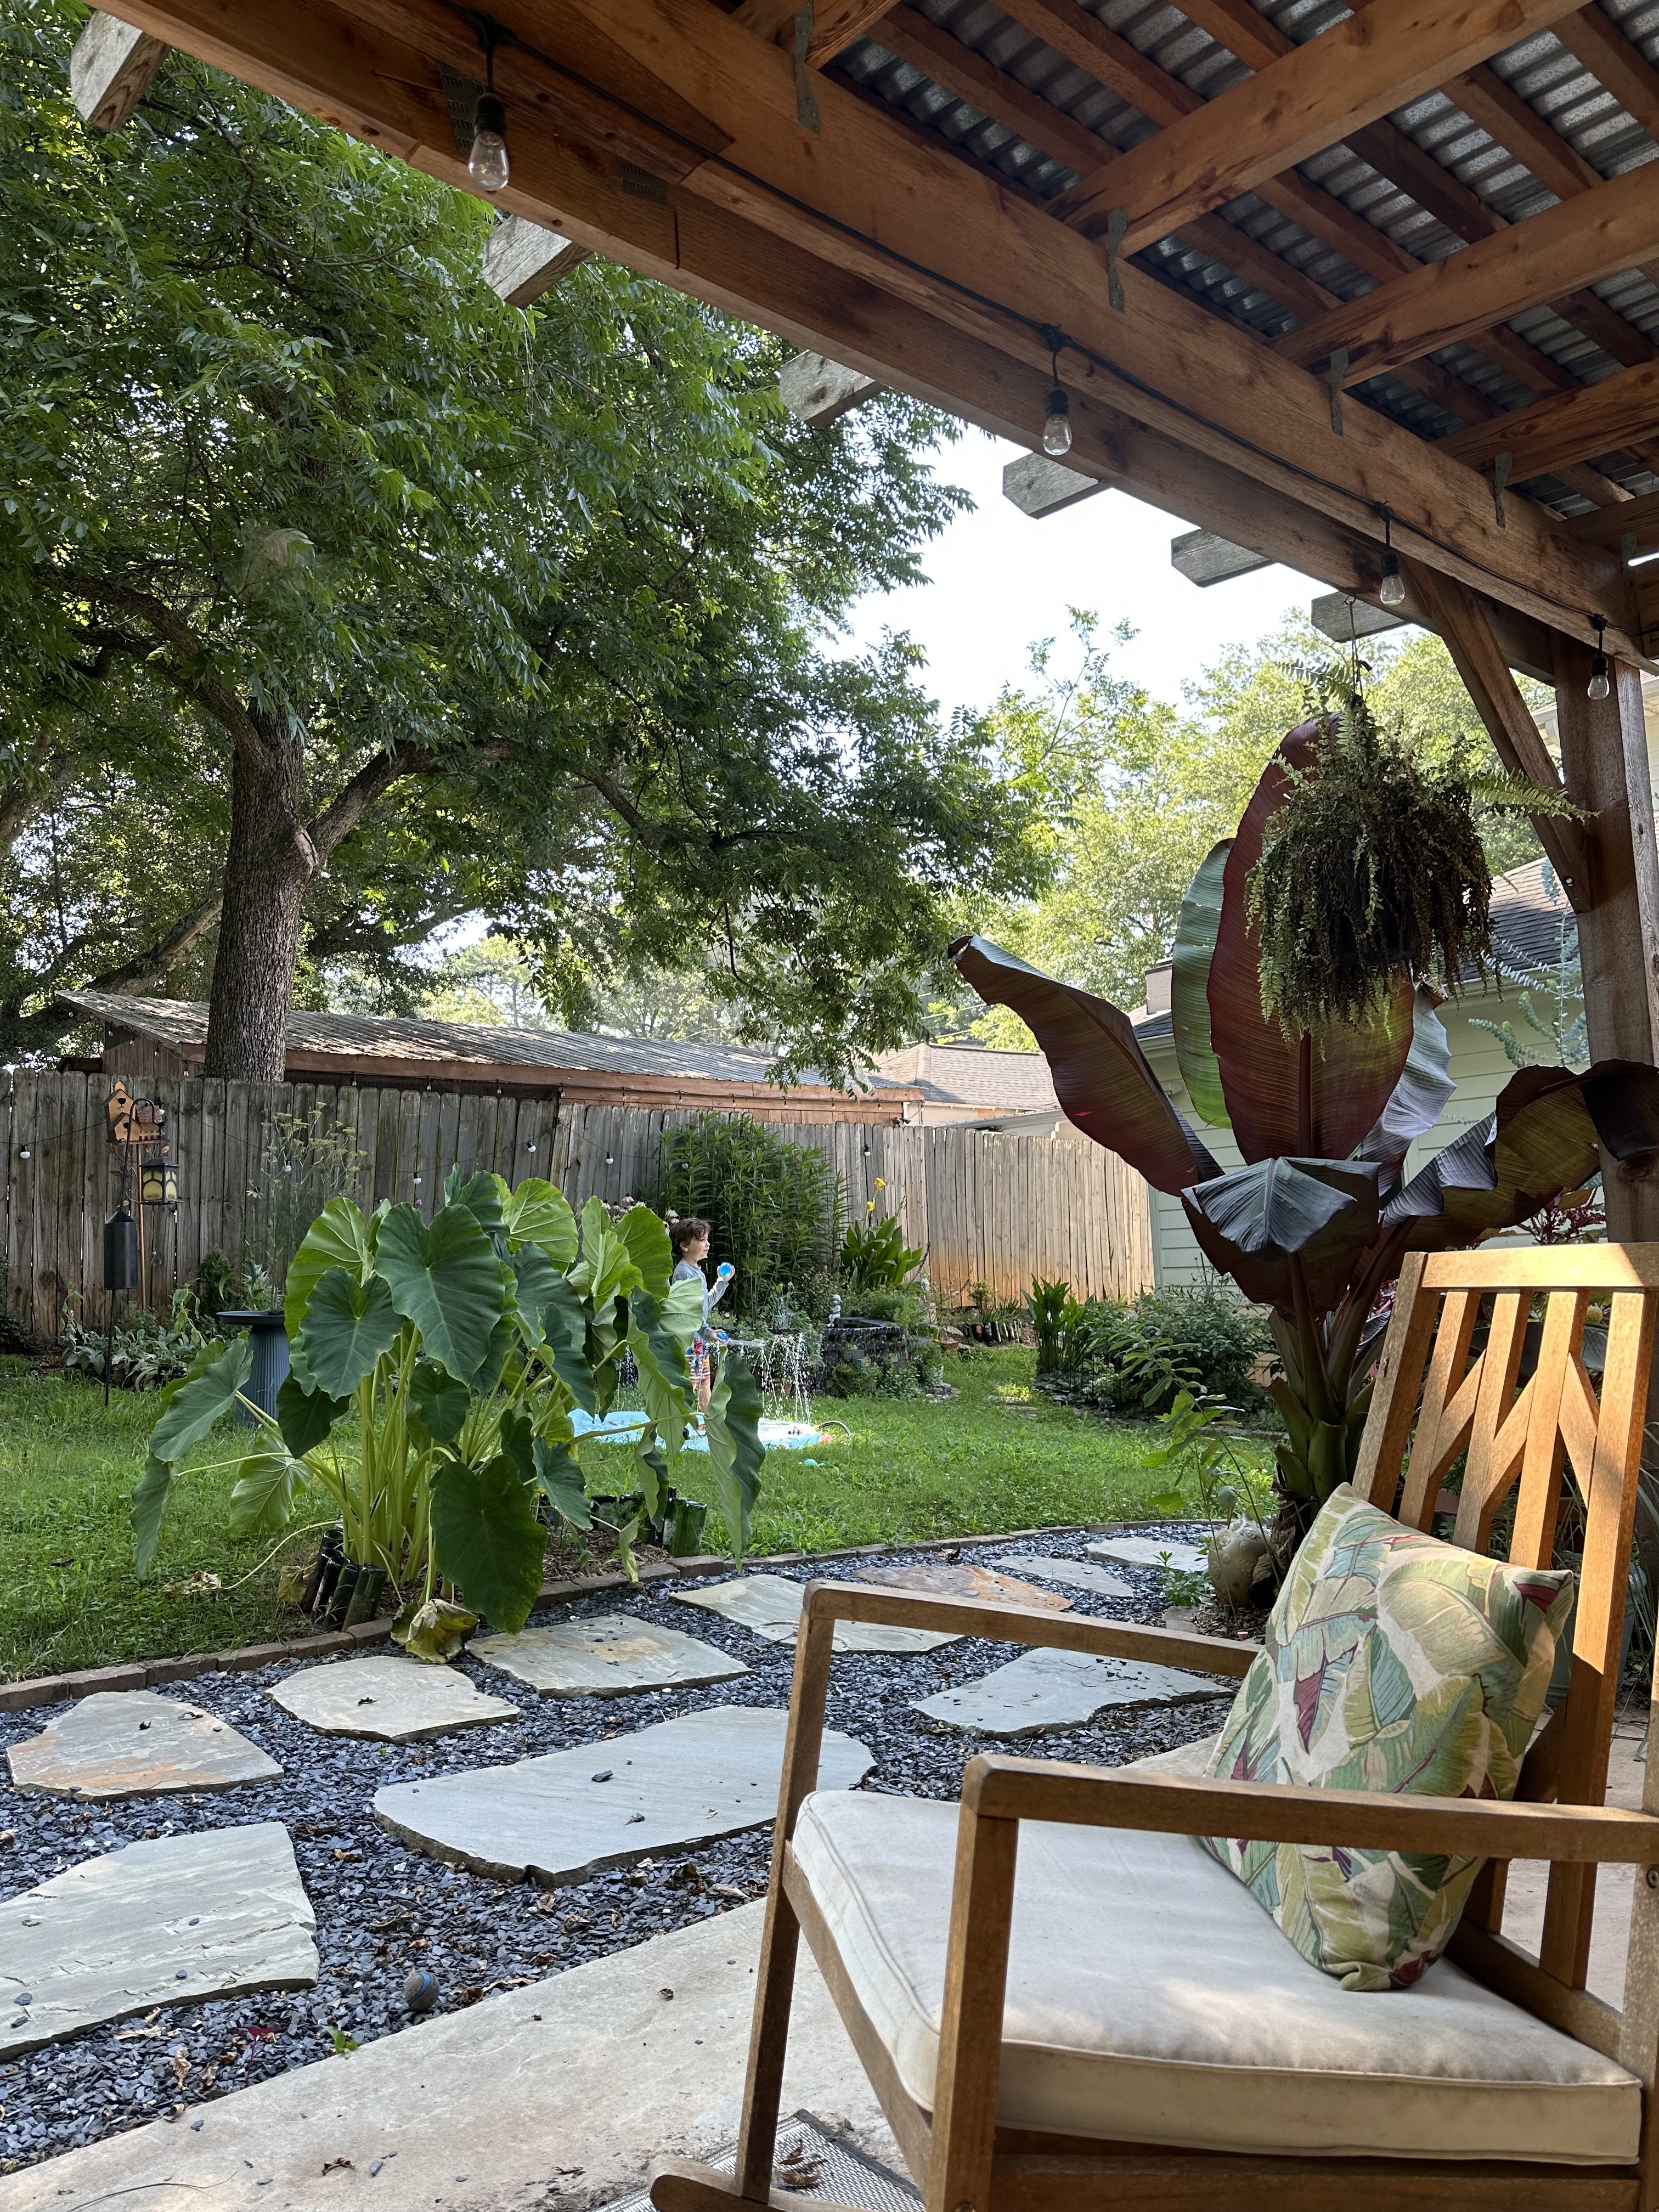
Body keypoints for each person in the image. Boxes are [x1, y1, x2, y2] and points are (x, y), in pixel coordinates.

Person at [669, 1216, 733, 1413]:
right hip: (688, 1342)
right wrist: (708, 1333)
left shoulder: (698, 1273)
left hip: (698, 1343)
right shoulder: (683, 1273)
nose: (707, 1244)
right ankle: (681, 1422)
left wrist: (722, 1281)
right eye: (702, 1240)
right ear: (685, 1246)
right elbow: (689, 1312)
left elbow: (704, 1304)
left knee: (705, 1381)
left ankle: (706, 1423)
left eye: (707, 1239)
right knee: (691, 1384)